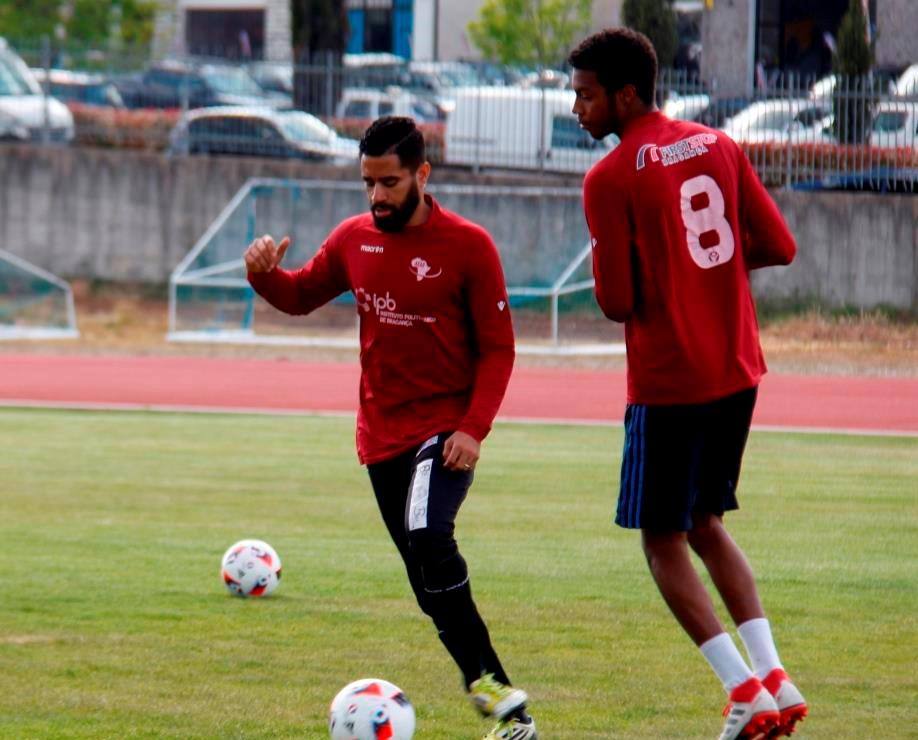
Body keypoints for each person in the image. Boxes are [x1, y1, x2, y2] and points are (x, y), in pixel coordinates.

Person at [243, 116, 536, 740]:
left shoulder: (470, 246)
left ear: (422, 175)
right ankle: (502, 705)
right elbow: (298, 296)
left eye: (390, 182)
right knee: (428, 587)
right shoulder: (354, 239)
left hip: (444, 431)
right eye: (368, 183)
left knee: (429, 534)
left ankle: (501, 697)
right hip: (380, 437)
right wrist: (263, 274)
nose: (377, 196)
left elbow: (499, 349)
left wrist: (473, 428)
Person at [568, 28, 808, 740]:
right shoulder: (718, 144)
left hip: (671, 380)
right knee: (706, 523)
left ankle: (742, 690)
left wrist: (658, 267)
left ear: (626, 95)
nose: (577, 109)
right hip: (736, 367)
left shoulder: (609, 177)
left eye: (585, 95)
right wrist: (702, 273)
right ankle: (775, 677)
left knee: (661, 539)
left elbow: (616, 301)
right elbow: (779, 245)